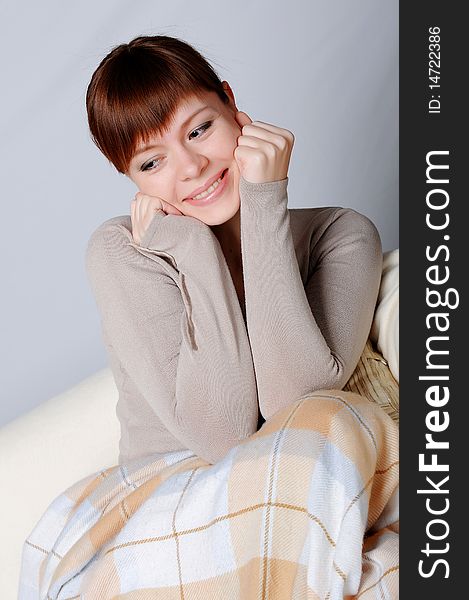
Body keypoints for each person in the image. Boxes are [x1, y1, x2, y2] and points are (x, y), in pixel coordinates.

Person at [19, 35, 398, 598]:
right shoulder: (124, 251)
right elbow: (223, 436)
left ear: (231, 105)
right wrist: (193, 251)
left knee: (334, 432)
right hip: (172, 508)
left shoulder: (339, 235)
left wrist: (265, 200)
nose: (192, 167)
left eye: (200, 129)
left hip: (307, 493)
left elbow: (297, 406)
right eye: (152, 161)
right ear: (131, 179)